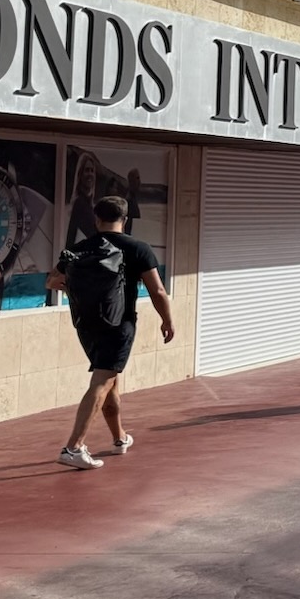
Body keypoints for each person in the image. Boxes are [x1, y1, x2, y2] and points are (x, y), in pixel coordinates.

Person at [45, 196, 177, 471]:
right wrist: (167, 320)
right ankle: (73, 447)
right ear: (125, 220)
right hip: (119, 325)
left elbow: (52, 280)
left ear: (96, 219)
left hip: (86, 325)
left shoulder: (80, 247)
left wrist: (79, 291)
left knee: (110, 379)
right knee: (103, 381)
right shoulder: (138, 248)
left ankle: (119, 438)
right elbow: (158, 290)